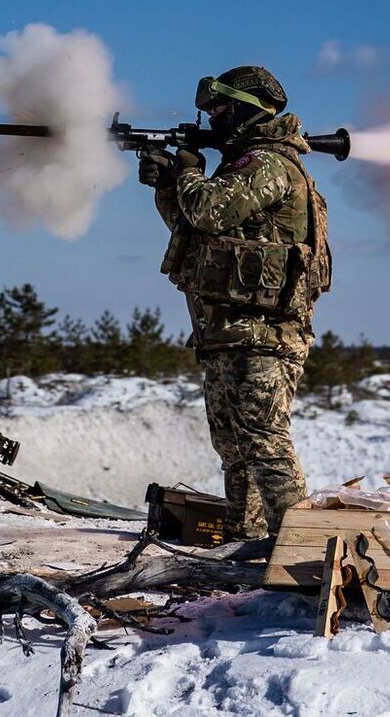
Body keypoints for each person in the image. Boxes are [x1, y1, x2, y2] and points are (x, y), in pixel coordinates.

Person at [137, 66, 331, 539]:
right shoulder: (242, 167)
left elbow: (206, 209)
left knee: (265, 443)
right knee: (235, 446)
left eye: (219, 111)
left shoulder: (267, 164)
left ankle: (296, 553)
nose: (212, 120)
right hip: (230, 334)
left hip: (263, 335)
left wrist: (186, 170)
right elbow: (196, 232)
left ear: (244, 111)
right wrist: (168, 185)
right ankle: (247, 539)